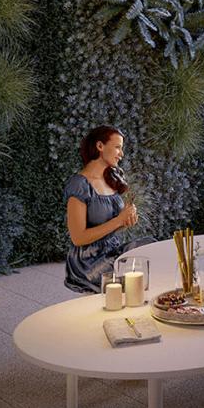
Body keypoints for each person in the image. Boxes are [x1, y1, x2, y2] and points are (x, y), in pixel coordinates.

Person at [63, 125, 139, 294]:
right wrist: (118, 220)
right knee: (141, 267)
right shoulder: (79, 184)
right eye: (118, 147)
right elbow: (78, 238)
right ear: (100, 146)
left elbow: (109, 228)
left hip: (112, 252)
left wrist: (125, 221)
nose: (122, 153)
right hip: (89, 263)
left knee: (149, 247)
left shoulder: (110, 179)